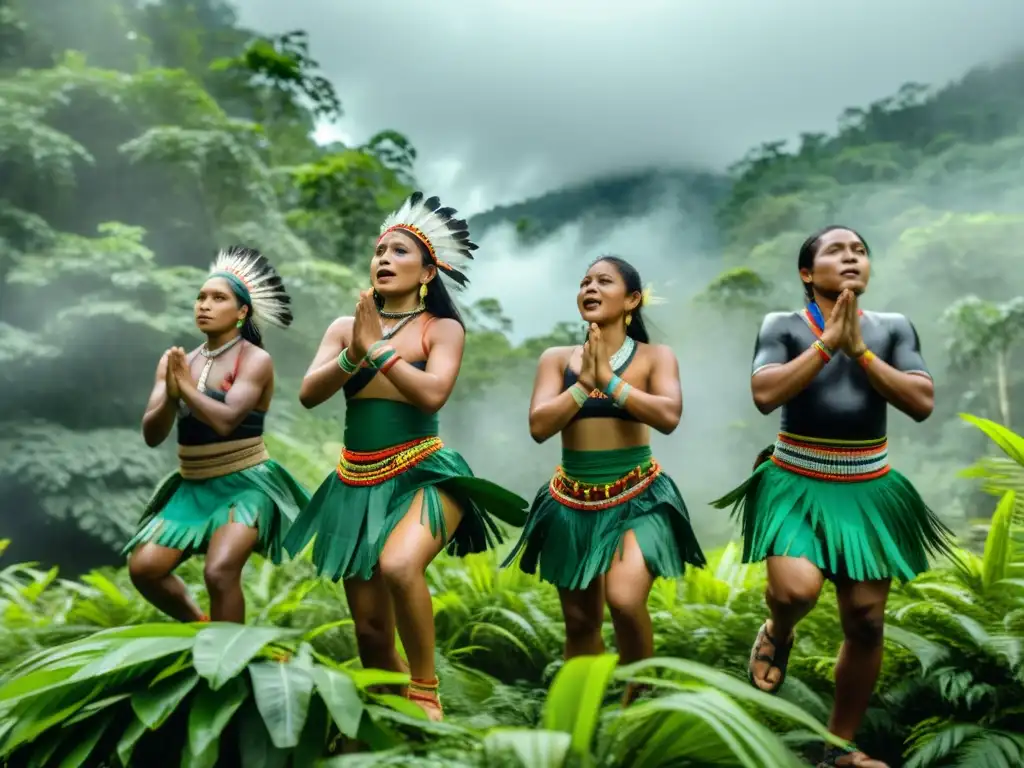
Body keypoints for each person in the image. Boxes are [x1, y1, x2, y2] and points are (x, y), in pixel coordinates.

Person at [712, 226, 955, 768]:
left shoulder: (892, 328)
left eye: (861, 252)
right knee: (796, 592)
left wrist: (862, 353)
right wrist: (827, 346)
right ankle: (778, 629)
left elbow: (921, 402)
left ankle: (839, 750)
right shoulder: (784, 325)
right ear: (807, 273)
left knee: (867, 621)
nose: (852, 258)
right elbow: (765, 392)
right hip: (794, 479)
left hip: (868, 486)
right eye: (837, 251)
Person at [283, 192, 528, 721]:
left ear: (427, 272)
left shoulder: (442, 329)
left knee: (399, 564)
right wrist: (355, 349)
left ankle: (425, 686)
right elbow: (308, 394)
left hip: (425, 475)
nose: (384, 259)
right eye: (379, 251)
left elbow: (432, 393)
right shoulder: (344, 328)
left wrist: (380, 351)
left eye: (399, 251)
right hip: (356, 484)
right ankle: (400, 731)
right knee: (371, 635)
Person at [504, 255, 706, 705]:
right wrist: (583, 385)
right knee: (579, 623)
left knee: (625, 598)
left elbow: (669, 416)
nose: (589, 288)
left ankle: (640, 701)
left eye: (603, 281)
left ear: (632, 300)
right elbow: (539, 426)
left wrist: (610, 382)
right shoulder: (556, 360)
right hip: (570, 502)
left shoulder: (656, 357)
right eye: (584, 282)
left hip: (640, 498)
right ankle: (583, 717)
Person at [126, 247, 310, 624]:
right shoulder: (177, 361)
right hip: (192, 487)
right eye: (201, 297)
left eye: (218, 298)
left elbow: (226, 419)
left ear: (242, 312)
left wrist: (186, 390)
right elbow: (152, 433)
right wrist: (171, 396)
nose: (204, 305)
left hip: (245, 486)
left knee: (220, 572)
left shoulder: (254, 359)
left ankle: (232, 668)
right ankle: (203, 629)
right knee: (144, 570)